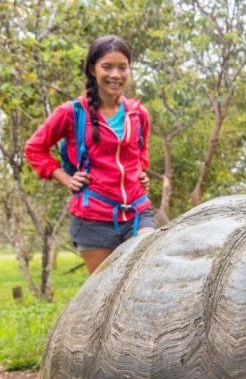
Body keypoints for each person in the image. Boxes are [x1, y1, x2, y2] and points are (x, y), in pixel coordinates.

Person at [25, 35, 153, 274]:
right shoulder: (71, 113)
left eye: (122, 67)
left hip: (136, 212)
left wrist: (139, 172)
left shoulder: (138, 113)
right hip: (93, 217)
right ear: (93, 70)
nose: (116, 74)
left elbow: (140, 149)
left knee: (144, 276)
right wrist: (66, 178)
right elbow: (34, 148)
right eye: (107, 67)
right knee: (104, 294)